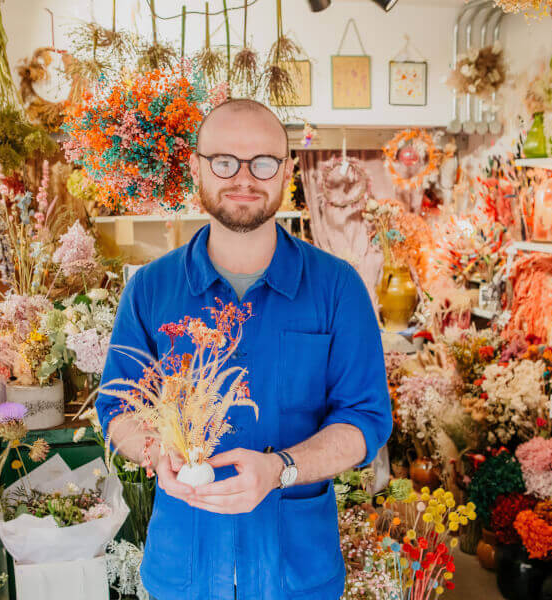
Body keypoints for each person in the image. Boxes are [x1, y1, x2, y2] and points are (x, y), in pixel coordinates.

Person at [95, 98, 392, 600]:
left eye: (264, 162)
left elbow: (365, 420)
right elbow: (118, 406)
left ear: (287, 171)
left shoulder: (337, 288)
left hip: (296, 571)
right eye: (225, 161)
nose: (244, 178)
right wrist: (155, 450)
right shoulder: (150, 289)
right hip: (184, 568)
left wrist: (281, 469)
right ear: (197, 169)